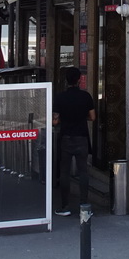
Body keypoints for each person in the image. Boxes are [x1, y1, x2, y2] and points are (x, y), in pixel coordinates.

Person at [52, 67, 95, 217]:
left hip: (66, 137)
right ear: (79, 80)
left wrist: (63, 118)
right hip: (82, 136)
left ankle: (65, 206)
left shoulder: (60, 97)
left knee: (64, 171)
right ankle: (84, 205)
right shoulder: (86, 96)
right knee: (83, 171)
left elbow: (55, 121)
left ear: (66, 81)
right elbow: (92, 117)